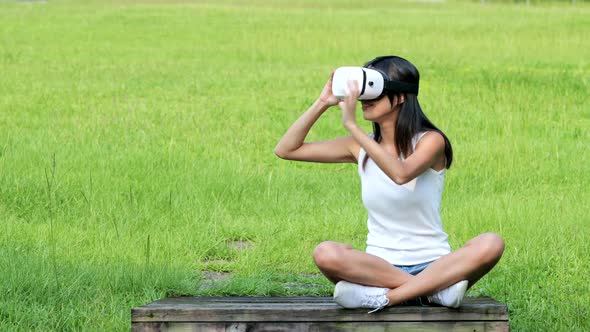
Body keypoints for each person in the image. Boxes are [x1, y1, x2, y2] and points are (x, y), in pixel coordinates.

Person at [274, 56, 504, 312]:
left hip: (435, 263)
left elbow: (401, 174)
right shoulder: (358, 147)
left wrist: (352, 126)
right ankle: (434, 292)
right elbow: (286, 149)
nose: (364, 100)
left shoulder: (431, 141)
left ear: (401, 97)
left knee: (491, 242)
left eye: (375, 92)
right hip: (379, 268)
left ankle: (386, 297)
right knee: (325, 252)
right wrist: (322, 102)